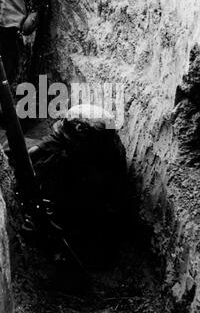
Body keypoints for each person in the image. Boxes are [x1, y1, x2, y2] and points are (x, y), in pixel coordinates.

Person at [27, 104, 128, 268]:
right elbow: (58, 139)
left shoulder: (103, 171)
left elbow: (94, 205)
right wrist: (37, 149)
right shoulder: (101, 140)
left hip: (90, 216)